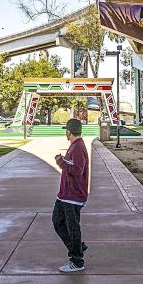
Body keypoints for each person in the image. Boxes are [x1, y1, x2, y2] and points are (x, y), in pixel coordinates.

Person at [53, 117, 90, 273]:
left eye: (66, 131)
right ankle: (76, 247)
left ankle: (77, 260)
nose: (66, 134)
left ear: (69, 132)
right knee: (57, 221)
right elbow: (72, 166)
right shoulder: (74, 146)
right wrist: (63, 160)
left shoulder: (78, 147)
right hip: (65, 194)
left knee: (72, 227)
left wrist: (60, 162)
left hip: (73, 196)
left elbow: (77, 171)